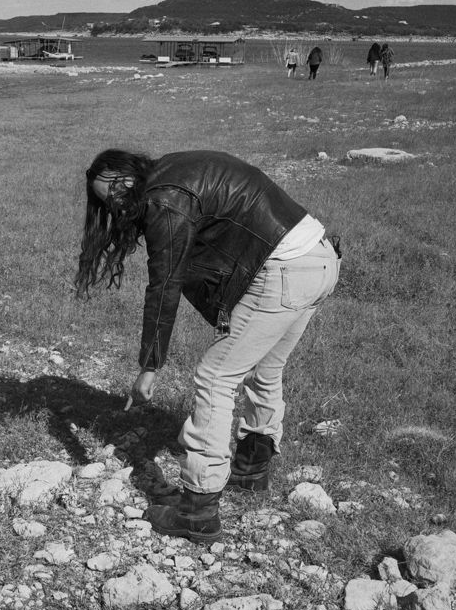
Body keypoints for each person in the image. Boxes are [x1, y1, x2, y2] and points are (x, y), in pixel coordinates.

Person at [75, 149, 341, 543]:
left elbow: (165, 282)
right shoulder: (173, 171)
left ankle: (197, 508)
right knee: (264, 366)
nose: (114, 206)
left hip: (284, 269)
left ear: (124, 180)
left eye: (112, 196)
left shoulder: (164, 199)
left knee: (216, 376)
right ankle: (252, 468)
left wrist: (150, 365)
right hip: (319, 260)